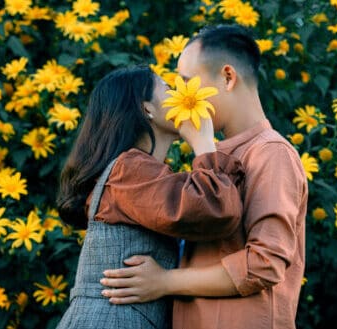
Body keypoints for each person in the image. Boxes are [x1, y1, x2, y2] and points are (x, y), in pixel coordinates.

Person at [100, 25, 308, 329]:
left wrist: (164, 281)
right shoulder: (213, 157)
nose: (179, 97)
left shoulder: (271, 152)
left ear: (227, 77)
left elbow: (264, 264)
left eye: (187, 84)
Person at [55, 65, 245, 329]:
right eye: (167, 88)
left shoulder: (137, 174)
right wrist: (204, 145)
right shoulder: (128, 170)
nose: (180, 93)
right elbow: (215, 209)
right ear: (147, 109)